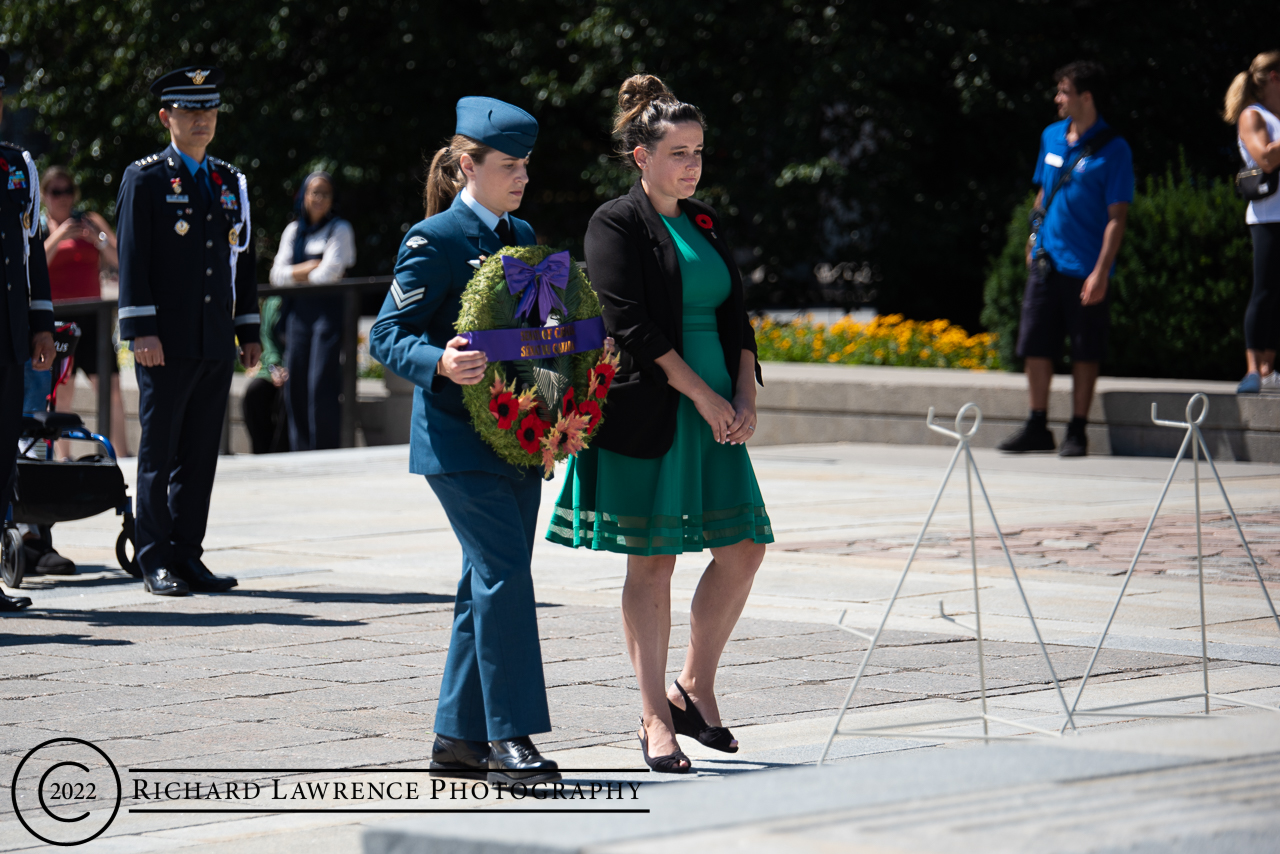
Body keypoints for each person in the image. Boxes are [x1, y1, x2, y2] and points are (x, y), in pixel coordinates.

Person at [545, 75, 773, 774]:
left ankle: (694, 688)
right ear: (641, 155)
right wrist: (703, 397)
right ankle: (652, 716)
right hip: (654, 409)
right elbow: (631, 325)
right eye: (678, 152)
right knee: (654, 562)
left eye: (698, 152)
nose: (692, 165)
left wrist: (743, 392)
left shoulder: (704, 222)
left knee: (743, 548)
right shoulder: (615, 222)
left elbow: (736, 314)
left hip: (716, 405)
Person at [369, 97, 560, 785]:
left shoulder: (524, 230)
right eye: (509, 166)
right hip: (456, 442)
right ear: (465, 166)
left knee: (483, 582)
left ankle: (456, 740)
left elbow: (540, 335)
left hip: (516, 439)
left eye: (526, 166)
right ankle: (511, 739)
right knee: (506, 575)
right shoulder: (434, 240)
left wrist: (563, 395)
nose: (522, 177)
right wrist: (440, 363)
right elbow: (386, 336)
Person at [116, 66, 260, 597]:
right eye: (187, 109)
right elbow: (134, 261)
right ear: (165, 117)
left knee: (200, 455)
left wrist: (248, 329)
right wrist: (141, 331)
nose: (200, 118)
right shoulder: (146, 177)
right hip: (165, 342)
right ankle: (153, 558)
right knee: (159, 454)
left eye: (209, 109)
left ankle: (187, 554)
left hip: (214, 339)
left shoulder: (229, 181)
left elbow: (242, 262)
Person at [997, 61, 1133, 458]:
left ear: (1085, 97)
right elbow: (1042, 195)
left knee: (1085, 348)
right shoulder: (1051, 136)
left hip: (1086, 266)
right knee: (1034, 344)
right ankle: (1037, 424)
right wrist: (1033, 238)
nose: (1057, 99)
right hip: (1047, 260)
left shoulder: (1114, 148)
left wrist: (1102, 271)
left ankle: (1077, 429)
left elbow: (1117, 217)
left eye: (1064, 91)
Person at [0, 49, 58, 612]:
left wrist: (42, 325)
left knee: (2, 456)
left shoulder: (17, 165)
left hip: (8, 337)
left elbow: (30, 253)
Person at [39, 166, 130, 460]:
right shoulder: (40, 227)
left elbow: (121, 260)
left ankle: (121, 453)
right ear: (44, 195)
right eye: (56, 192)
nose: (62, 198)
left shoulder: (89, 221)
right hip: (57, 321)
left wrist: (98, 240)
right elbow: (35, 265)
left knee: (110, 389)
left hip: (93, 318)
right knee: (61, 393)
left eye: (67, 191)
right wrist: (60, 234)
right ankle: (62, 456)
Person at [269, 171, 356, 450]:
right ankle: (300, 449)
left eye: (325, 193)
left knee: (321, 383)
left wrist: (296, 273)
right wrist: (308, 268)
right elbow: (275, 277)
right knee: (296, 386)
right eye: (314, 192)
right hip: (298, 317)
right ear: (303, 196)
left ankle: (324, 449)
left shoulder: (340, 229)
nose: (319, 198)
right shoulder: (293, 231)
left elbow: (329, 275)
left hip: (327, 315)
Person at [1226, 51, 1280, 394]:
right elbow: (1266, 158)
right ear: (1274, 77)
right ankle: (1251, 369)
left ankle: (1267, 369)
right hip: (1267, 218)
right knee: (1263, 292)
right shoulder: (1252, 115)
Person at [241, 295, 289, 454]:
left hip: (298, 368)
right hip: (275, 368)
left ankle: (279, 453)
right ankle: (261, 453)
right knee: (255, 392)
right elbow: (268, 342)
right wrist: (275, 367)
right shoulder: (272, 302)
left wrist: (290, 368)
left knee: (287, 396)